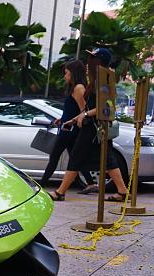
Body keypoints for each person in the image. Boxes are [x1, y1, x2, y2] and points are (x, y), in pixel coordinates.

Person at [48, 48, 128, 202]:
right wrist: (75, 118)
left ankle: (60, 192)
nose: (86, 63)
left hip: (92, 129)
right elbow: (93, 107)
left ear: (98, 61)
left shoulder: (102, 79)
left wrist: (84, 115)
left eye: (91, 58)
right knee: (108, 160)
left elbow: (106, 107)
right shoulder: (99, 79)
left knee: (77, 158)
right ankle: (122, 191)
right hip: (94, 128)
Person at [39, 60, 97, 193]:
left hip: (70, 129)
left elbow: (84, 110)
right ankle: (90, 182)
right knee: (74, 158)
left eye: (66, 73)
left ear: (73, 73)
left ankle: (42, 185)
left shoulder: (79, 88)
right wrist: (63, 118)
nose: (65, 76)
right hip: (68, 127)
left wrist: (70, 121)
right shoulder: (76, 87)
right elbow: (74, 109)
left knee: (54, 156)